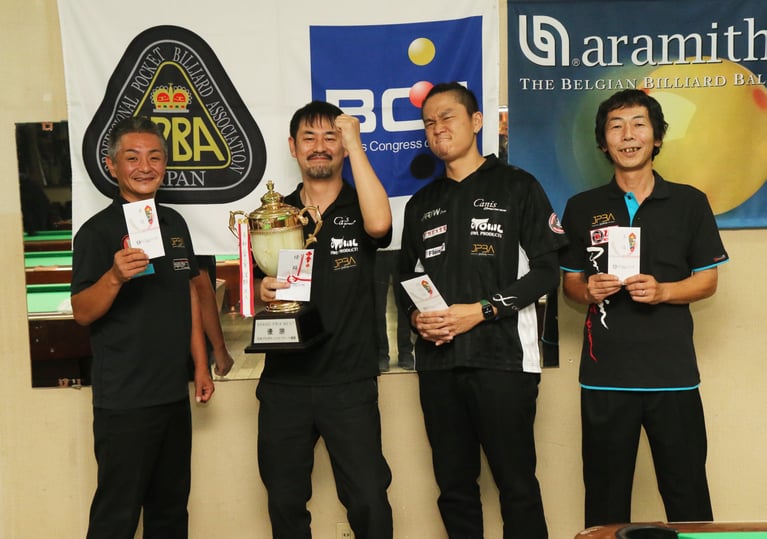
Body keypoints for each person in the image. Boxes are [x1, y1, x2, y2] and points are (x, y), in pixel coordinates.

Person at [399, 82, 567, 538]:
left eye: (447, 117)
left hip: (504, 361)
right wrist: (416, 319)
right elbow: (405, 280)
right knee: (454, 489)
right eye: (429, 123)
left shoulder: (518, 186)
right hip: (439, 365)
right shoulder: (421, 204)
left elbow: (547, 272)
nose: (438, 128)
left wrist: (483, 310)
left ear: (476, 122)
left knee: (517, 486)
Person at [559, 89, 729, 528]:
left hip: (673, 376)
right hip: (605, 378)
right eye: (615, 126)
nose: (628, 135)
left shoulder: (690, 202)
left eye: (639, 124)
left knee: (688, 495)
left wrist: (663, 292)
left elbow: (707, 280)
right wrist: (588, 290)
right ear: (603, 143)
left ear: (657, 137)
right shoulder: (582, 207)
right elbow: (570, 284)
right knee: (605, 500)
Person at [71, 116, 215, 538]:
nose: (145, 167)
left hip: (172, 394)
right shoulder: (96, 233)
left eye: (154, 157)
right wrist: (114, 277)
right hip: (124, 401)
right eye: (132, 158)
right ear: (112, 166)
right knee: (116, 517)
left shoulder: (174, 224)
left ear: (165, 165)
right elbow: (81, 312)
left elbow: (187, 295)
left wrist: (200, 365)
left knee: (170, 514)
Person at [256, 101, 393, 538]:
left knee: (369, 500)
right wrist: (261, 290)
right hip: (285, 382)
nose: (320, 147)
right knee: (284, 502)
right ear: (292, 147)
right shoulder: (277, 214)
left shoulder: (362, 201)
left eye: (330, 137)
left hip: (348, 380)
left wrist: (355, 143)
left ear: (343, 146)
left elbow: (380, 225)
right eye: (309, 138)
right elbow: (256, 281)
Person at [374, 246, 414, 372]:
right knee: (377, 308)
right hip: (376, 250)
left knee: (405, 305)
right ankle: (381, 355)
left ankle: (405, 353)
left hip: (402, 249)